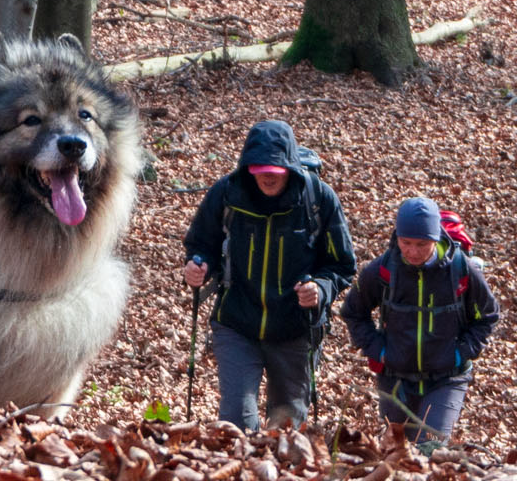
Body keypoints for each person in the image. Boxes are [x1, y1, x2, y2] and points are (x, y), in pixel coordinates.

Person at [181, 120, 357, 430]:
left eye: (275, 170)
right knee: (236, 421)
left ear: (289, 167)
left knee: (285, 430)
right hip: (237, 322)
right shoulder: (227, 194)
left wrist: (320, 287)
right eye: (259, 168)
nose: (266, 176)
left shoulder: (318, 199)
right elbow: (201, 243)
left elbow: (341, 265)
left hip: (295, 329)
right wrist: (198, 265)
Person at [340, 196, 500, 448]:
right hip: (394, 379)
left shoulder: (462, 269)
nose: (413, 252)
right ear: (397, 236)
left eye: (422, 244)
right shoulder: (382, 270)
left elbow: (487, 316)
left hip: (447, 378)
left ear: (436, 238)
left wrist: (460, 353)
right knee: (397, 453)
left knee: (430, 448)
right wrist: (378, 351)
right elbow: (353, 311)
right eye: (406, 243)